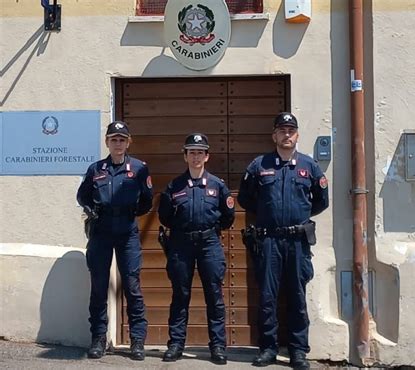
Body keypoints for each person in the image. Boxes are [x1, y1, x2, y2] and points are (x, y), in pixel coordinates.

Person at [237, 112, 329, 369]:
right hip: (269, 242)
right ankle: (268, 349)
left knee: (297, 296)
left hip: (297, 242)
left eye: (291, 131)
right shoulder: (259, 165)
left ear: (297, 135)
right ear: (274, 135)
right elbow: (246, 199)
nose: (286, 135)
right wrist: (270, 214)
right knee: (267, 296)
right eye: (282, 130)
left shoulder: (309, 166)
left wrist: (298, 215)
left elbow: (322, 200)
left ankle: (298, 350)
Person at [77, 121, 153, 361]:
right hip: (101, 231)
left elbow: (147, 201)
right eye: (114, 139)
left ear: (128, 142)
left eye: (122, 139)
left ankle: (137, 340)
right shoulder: (95, 169)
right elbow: (83, 196)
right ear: (107, 142)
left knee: (131, 284)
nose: (118, 143)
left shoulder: (139, 168)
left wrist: (128, 214)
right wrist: (94, 211)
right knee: (99, 285)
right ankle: (99, 337)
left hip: (127, 231)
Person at [158, 133, 235, 365]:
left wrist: (208, 231)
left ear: (207, 156)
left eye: (200, 152)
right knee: (180, 295)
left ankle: (218, 346)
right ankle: (176, 344)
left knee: (214, 296)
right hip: (181, 244)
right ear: (185, 156)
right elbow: (165, 216)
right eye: (191, 152)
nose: (196, 157)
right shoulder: (174, 187)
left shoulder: (218, 186)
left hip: (209, 244)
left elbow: (228, 217)